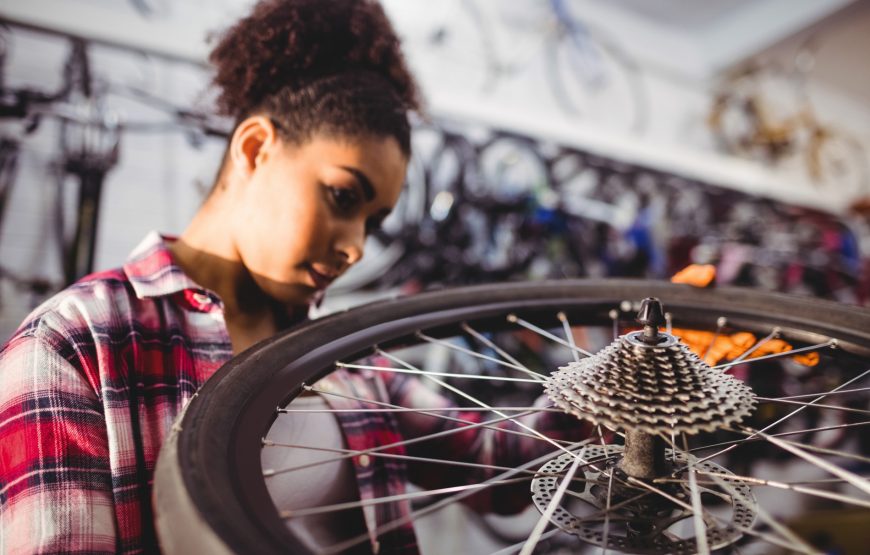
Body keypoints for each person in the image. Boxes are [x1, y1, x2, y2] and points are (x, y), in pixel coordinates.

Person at [0, 1, 591, 553]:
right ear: (255, 148)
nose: (356, 247)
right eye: (342, 196)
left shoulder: (343, 359)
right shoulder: (76, 345)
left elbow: (500, 464)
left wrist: (622, 390)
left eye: (373, 221)